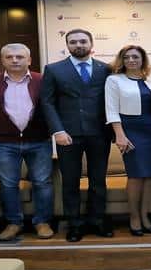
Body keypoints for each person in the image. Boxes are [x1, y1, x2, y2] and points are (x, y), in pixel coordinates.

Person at [40, 28, 113, 242]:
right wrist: (58, 130)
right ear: (67, 46)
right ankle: (74, 224)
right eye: (73, 42)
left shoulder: (106, 69)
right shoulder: (53, 69)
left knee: (98, 180)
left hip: (100, 133)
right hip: (67, 135)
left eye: (82, 41)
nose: (78, 45)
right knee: (70, 181)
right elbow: (47, 102)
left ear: (91, 44)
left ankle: (97, 220)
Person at [0, 43, 54, 240]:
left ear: (29, 60)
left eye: (19, 57)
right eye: (9, 57)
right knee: (8, 184)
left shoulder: (43, 80)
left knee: (42, 182)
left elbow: (52, 107)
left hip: (39, 141)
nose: (14, 60)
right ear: (2, 60)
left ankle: (42, 222)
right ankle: (13, 223)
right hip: (4, 142)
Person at [104, 45, 151, 236]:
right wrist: (119, 135)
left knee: (150, 176)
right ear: (122, 60)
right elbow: (111, 110)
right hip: (130, 130)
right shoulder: (114, 80)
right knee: (135, 175)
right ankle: (134, 217)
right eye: (127, 57)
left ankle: (145, 216)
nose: (131, 60)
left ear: (142, 59)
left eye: (135, 57)